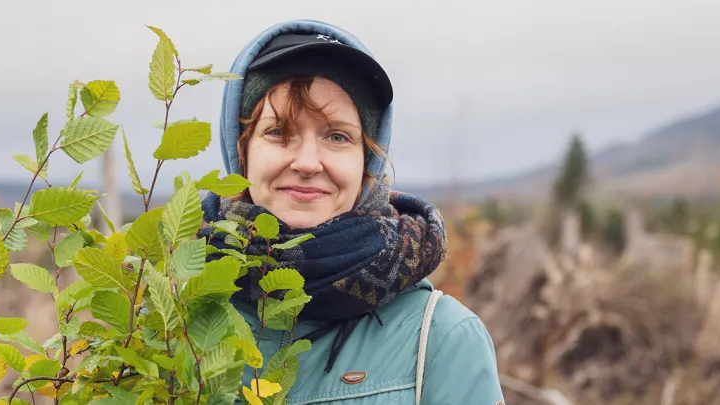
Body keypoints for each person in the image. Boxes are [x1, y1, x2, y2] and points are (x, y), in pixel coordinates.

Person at [198, 19, 507, 404]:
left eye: (337, 136)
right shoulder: (167, 316)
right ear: (241, 150)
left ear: (367, 161)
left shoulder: (442, 341)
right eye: (278, 132)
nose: (307, 162)